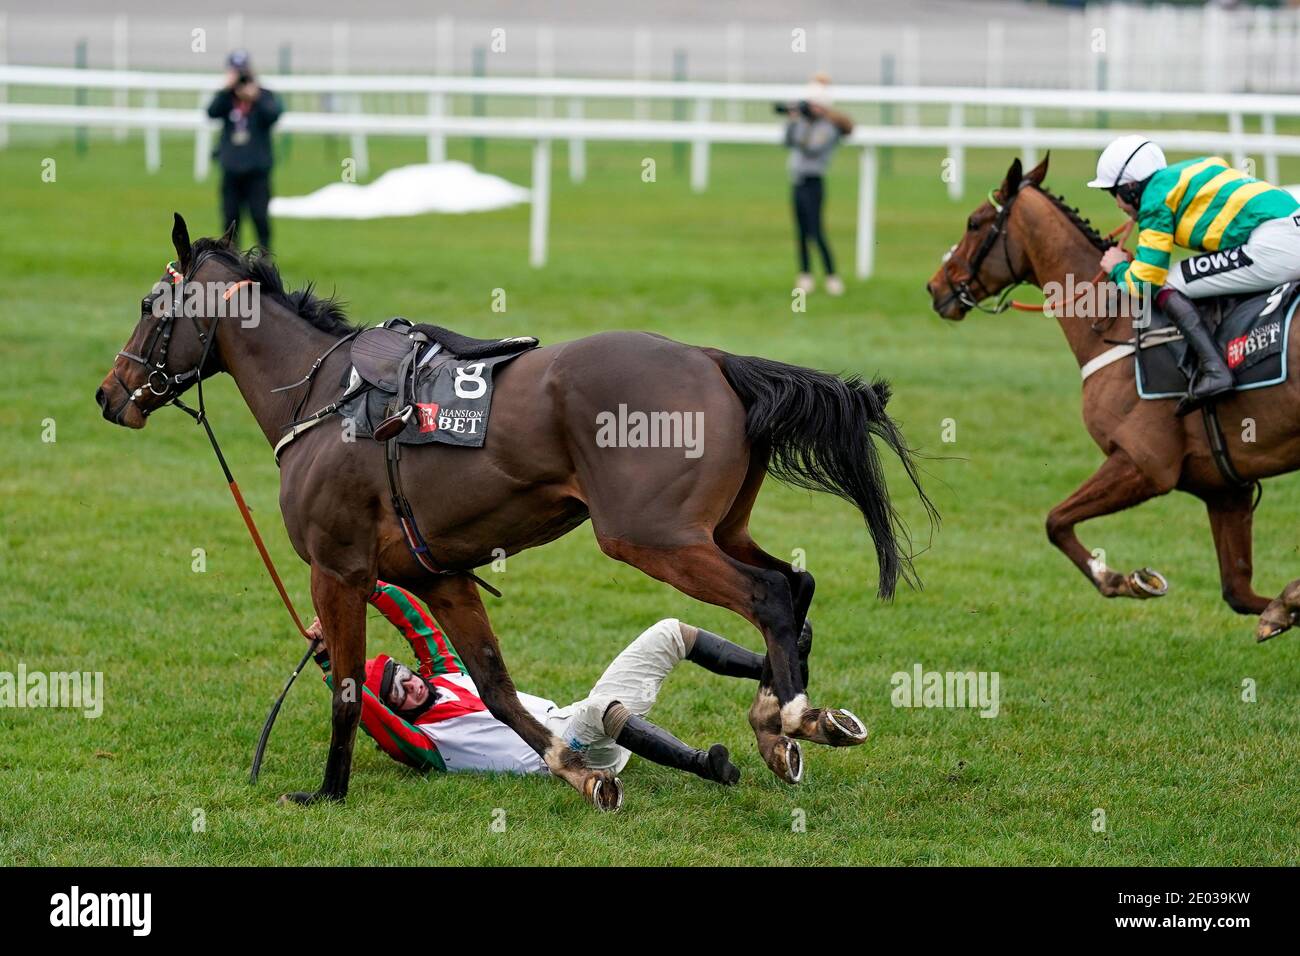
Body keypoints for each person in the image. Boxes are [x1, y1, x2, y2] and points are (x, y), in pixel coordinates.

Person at [305, 581, 819, 786]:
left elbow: (415, 620)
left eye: (405, 677)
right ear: (394, 710)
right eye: (399, 695)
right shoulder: (423, 745)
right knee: (599, 712)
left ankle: (775, 670)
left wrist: (360, 587)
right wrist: (333, 662)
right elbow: (368, 711)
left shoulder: (446, 672)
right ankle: (702, 765)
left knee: (669, 633)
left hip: (582, 723)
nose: (410, 688)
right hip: (565, 755)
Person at [1088, 134, 1300, 415]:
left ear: (1130, 188)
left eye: (1113, 193)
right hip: (1285, 229)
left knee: (1170, 282)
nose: (1117, 204)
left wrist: (1117, 268)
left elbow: (1146, 281)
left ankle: (1215, 371)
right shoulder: (1188, 173)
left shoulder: (1155, 201)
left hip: (1278, 245)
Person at [783, 72, 854, 296]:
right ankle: (805, 275)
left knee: (816, 232)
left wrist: (800, 124)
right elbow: (786, 141)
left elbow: (811, 147)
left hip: (814, 183)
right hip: (797, 181)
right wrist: (793, 121)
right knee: (801, 232)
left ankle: (832, 276)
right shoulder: (804, 122)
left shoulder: (828, 128)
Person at [207, 49, 283, 251]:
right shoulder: (226, 98)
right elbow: (211, 112)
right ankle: (232, 257)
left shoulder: (263, 95)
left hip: (257, 169)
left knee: (260, 215)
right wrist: (226, 89)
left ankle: (264, 257)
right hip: (231, 168)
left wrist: (256, 97)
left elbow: (274, 115)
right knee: (230, 217)